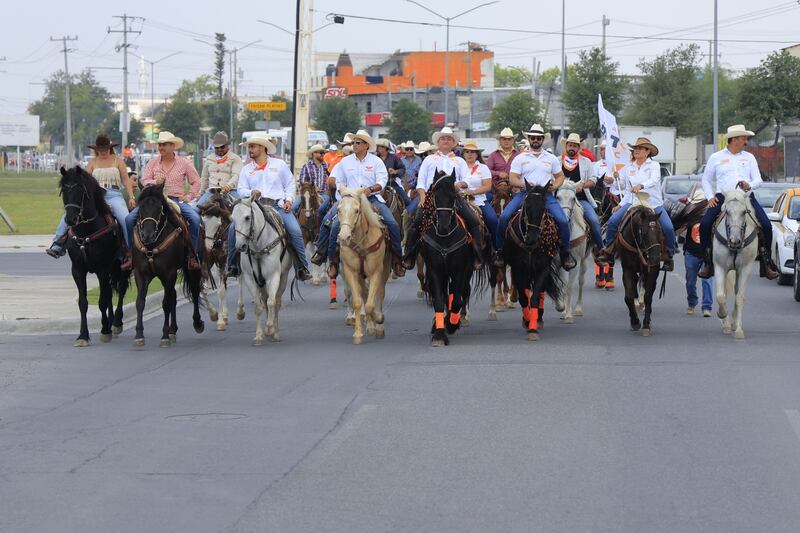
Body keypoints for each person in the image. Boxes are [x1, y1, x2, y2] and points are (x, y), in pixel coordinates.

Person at [309, 130, 406, 278]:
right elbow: (337, 179)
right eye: (354, 142)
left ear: (366, 145)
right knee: (330, 223)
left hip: (371, 199)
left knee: (392, 224)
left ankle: (397, 259)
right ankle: (329, 259)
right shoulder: (345, 162)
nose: (355, 145)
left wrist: (370, 189)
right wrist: (343, 190)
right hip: (349, 199)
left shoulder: (376, 162)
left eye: (358, 142)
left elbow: (382, 181)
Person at [226, 133, 311, 281]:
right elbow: (240, 189)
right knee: (233, 228)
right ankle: (232, 265)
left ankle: (302, 267)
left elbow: (290, 184)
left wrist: (289, 200)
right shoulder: (247, 169)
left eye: (252, 147)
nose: (250, 150)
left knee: (295, 230)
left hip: (277, 206)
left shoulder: (280, 165)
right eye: (249, 147)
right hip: (254, 207)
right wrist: (250, 192)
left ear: (262, 147)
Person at [697, 124, 779, 279]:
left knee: (767, 226)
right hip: (724, 198)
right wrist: (710, 197)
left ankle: (767, 263)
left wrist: (750, 185)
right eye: (743, 138)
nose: (746, 141)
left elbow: (758, 180)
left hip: (746, 197)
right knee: (705, 224)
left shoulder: (749, 157)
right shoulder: (716, 157)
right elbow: (706, 180)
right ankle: (707, 262)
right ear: (734, 139)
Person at [493, 124, 575, 270]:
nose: (535, 140)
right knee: (504, 217)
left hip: (546, 195)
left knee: (563, 220)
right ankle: (499, 251)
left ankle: (565, 253)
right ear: (529, 139)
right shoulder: (520, 158)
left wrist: (555, 186)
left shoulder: (551, 158)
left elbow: (560, 176)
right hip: (525, 194)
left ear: (543, 139)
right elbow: (513, 178)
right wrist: (524, 185)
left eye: (538, 137)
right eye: (533, 137)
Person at [402, 127, 485, 270]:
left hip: (453, 197)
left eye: (449, 139)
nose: (446, 141)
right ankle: (409, 255)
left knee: (473, 220)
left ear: (453, 142)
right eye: (443, 138)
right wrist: (422, 196)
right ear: (438, 142)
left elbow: (467, 179)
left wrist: (460, 184)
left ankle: (477, 254)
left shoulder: (459, 160)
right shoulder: (429, 159)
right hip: (430, 197)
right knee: (415, 221)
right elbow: (421, 181)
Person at [46, 134, 135, 261]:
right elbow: (85, 180)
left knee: (125, 218)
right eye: (100, 150)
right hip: (96, 195)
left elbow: (126, 179)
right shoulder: (92, 162)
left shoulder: (118, 161)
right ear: (96, 150)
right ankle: (58, 244)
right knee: (70, 213)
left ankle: (129, 250)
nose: (103, 152)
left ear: (110, 148)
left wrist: (131, 196)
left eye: (105, 149)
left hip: (114, 194)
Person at [125, 131, 203, 270]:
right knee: (129, 219)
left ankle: (192, 255)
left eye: (164, 145)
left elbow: (196, 181)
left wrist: (189, 196)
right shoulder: (152, 162)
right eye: (160, 145)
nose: (161, 147)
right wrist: (155, 181)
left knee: (195, 219)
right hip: (154, 200)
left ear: (173, 146)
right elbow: (145, 179)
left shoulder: (184, 163)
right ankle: (130, 254)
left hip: (175, 199)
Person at [597, 137, 675, 271]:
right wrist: (620, 204)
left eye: (639, 148)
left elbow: (655, 180)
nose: (636, 151)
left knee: (668, 228)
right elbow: (627, 190)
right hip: (634, 202)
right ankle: (609, 251)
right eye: (635, 149)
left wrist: (641, 185)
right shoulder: (629, 168)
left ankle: (668, 255)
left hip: (653, 203)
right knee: (612, 222)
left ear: (647, 151)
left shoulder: (654, 166)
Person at [559, 133, 603, 252]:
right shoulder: (558, 160)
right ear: (566, 146)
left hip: (581, 199)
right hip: (560, 199)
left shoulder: (586, 162)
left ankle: (601, 249)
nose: (572, 148)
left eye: (575, 146)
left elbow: (593, 179)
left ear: (579, 148)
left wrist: (582, 185)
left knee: (594, 220)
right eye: (570, 145)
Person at [682, 185, 713, 317]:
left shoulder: (712, 217)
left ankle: (707, 307)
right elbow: (680, 230)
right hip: (691, 252)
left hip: (707, 254)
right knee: (690, 281)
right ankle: (692, 302)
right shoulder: (689, 215)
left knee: (707, 280)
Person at [458, 141, 497, 245]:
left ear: (477, 154)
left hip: (479, 200)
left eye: (472, 152)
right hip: (459, 200)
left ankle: (496, 248)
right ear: (463, 154)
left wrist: (473, 192)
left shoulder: (483, 168)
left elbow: (487, 186)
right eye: (467, 152)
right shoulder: (457, 166)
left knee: (492, 219)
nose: (469, 154)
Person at [197, 131, 243, 206]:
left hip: (230, 191)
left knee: (242, 209)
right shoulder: (209, 159)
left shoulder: (235, 158)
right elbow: (204, 178)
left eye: (222, 147)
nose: (219, 149)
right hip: (212, 192)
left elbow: (236, 175)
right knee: (196, 209)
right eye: (216, 147)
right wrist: (201, 193)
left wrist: (228, 186)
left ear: (227, 146)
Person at [293, 144, 330, 216]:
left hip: (323, 193)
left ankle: (321, 220)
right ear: (314, 154)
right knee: (293, 208)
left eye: (323, 153)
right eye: (320, 153)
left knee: (328, 204)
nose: (323, 154)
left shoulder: (326, 165)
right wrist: (312, 187)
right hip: (308, 194)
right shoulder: (307, 166)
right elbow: (302, 181)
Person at [375, 138, 409, 206]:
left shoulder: (394, 158)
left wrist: (395, 171)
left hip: (391, 184)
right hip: (377, 185)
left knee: (407, 200)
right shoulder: (375, 158)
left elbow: (402, 169)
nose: (378, 148)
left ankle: (407, 214)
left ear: (385, 148)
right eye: (378, 146)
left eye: (381, 146)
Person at [485, 127, 519, 192]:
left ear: (513, 140)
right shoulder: (493, 155)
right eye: (504, 139)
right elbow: (487, 171)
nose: (506, 141)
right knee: (485, 200)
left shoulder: (518, 155)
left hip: (514, 188)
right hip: (495, 188)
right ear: (500, 140)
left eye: (509, 139)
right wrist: (498, 173)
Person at [400, 141, 422, 214]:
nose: (409, 151)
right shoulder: (401, 160)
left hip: (415, 186)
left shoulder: (419, 160)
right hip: (403, 186)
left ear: (414, 150)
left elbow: (421, 174)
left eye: (411, 149)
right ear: (405, 150)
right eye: (407, 149)